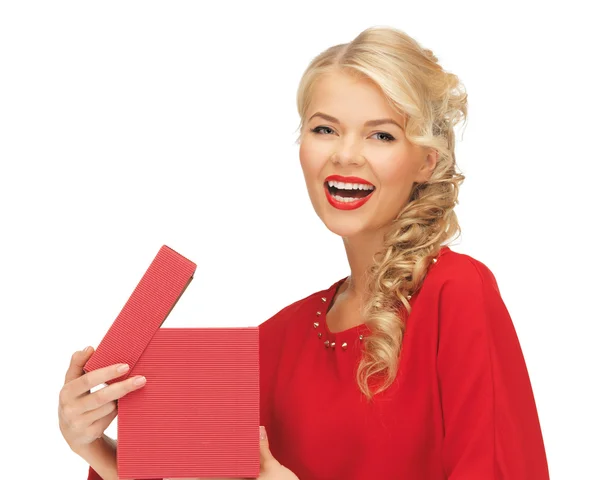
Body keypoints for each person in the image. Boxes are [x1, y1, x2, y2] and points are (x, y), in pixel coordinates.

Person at [58, 25, 550, 479]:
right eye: (324, 129)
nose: (345, 154)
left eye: (381, 134)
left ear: (426, 161)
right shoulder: (278, 339)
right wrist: (97, 448)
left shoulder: (456, 293)